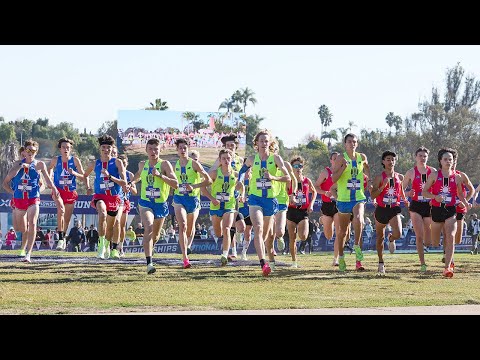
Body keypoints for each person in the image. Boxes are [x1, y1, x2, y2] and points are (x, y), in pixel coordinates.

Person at [237, 129, 291, 276]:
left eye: (266, 141)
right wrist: (240, 182)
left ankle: (270, 256)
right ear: (256, 143)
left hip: (270, 200)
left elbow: (288, 178)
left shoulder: (276, 159)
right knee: (258, 229)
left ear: (270, 143)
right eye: (261, 141)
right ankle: (263, 264)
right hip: (254, 198)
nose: (264, 143)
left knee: (267, 236)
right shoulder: (251, 159)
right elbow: (242, 171)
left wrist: (273, 177)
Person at [1, 139, 58, 262]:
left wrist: (54, 189)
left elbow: (47, 181)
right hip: (19, 199)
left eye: (33, 150)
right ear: (24, 152)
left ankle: (28, 253)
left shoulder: (40, 164)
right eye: (28, 150)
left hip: (33, 198)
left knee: (32, 223)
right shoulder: (17, 164)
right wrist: (14, 192)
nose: (30, 152)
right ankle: (24, 238)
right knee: (20, 228)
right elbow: (5, 183)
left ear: (36, 152)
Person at [130, 138, 178, 274]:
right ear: (146, 150)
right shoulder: (142, 164)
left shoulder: (165, 165)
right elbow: (138, 175)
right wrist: (132, 182)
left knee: (155, 236)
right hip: (145, 202)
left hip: (160, 204)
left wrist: (160, 176)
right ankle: (149, 263)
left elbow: (175, 184)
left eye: (156, 149)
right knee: (149, 228)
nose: (153, 152)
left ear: (160, 150)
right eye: (150, 149)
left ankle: (151, 247)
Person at [422, 148, 467, 278]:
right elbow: (424, 192)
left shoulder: (457, 177)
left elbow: (459, 194)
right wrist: (435, 197)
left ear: (453, 162)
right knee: (434, 242)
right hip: (436, 210)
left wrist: (464, 202)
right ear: (440, 161)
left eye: (450, 160)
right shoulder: (434, 175)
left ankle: (447, 267)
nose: (448, 161)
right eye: (445, 159)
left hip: (451, 210)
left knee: (450, 236)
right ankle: (442, 250)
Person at [83, 135, 127, 260]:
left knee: (111, 226)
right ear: (100, 148)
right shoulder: (95, 163)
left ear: (112, 148)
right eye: (103, 147)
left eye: (108, 147)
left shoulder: (117, 162)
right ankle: (101, 246)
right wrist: (88, 187)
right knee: (102, 213)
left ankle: (108, 245)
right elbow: (85, 175)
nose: (106, 150)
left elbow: (124, 182)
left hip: (114, 197)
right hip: (100, 196)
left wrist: (110, 177)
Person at [331, 133, 370, 272]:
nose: (352, 144)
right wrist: (342, 168)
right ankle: (341, 258)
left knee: (359, 220)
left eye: (354, 141)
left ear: (357, 144)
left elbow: (367, 168)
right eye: (349, 141)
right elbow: (333, 179)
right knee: (342, 232)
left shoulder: (361, 157)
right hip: (343, 199)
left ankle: (357, 252)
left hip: (358, 196)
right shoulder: (341, 158)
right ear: (345, 144)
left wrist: (368, 181)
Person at [172, 138, 212, 268]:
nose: (183, 150)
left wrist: (194, 186)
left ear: (188, 149)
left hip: (193, 199)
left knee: (189, 228)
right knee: (182, 226)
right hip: (179, 198)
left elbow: (209, 180)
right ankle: (185, 258)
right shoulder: (175, 165)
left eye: (185, 148)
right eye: (180, 148)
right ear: (177, 150)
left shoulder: (194, 164)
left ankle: (188, 246)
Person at [370, 150, 409, 276]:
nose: (390, 161)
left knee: (398, 233)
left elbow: (401, 190)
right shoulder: (379, 177)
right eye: (388, 159)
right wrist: (382, 187)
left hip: (394, 208)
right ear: (383, 162)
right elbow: (373, 194)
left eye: (393, 159)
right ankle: (381, 263)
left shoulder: (399, 177)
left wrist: (405, 199)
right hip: (381, 209)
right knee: (379, 237)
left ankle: (391, 239)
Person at [203, 149, 244, 266]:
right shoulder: (214, 173)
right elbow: (203, 188)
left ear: (231, 160)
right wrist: (212, 199)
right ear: (220, 160)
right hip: (216, 206)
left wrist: (242, 195)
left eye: (228, 158)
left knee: (227, 229)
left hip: (229, 206)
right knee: (218, 232)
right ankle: (225, 250)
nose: (226, 160)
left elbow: (241, 186)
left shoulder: (235, 175)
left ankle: (224, 255)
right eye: (224, 158)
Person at [48, 138, 87, 251]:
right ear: (60, 149)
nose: (66, 149)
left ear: (71, 149)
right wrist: (50, 178)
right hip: (58, 190)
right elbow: (49, 168)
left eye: (68, 147)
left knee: (67, 218)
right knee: (61, 210)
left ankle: (63, 237)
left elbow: (83, 176)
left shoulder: (75, 160)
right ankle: (60, 239)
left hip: (70, 191)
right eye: (64, 147)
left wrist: (74, 173)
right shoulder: (56, 159)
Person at [402, 146, 434, 272]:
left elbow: (438, 186)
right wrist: (407, 194)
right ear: (416, 157)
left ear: (427, 158)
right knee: (419, 235)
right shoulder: (411, 172)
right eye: (420, 156)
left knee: (428, 238)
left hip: (429, 205)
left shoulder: (433, 171)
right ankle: (423, 263)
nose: (422, 158)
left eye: (425, 156)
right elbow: (401, 189)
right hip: (415, 205)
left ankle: (427, 245)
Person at [285, 156, 316, 267]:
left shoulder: (307, 180)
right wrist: (289, 198)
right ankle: (294, 262)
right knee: (291, 238)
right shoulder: (289, 181)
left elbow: (314, 192)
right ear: (292, 168)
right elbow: (284, 192)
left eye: (300, 166)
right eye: (296, 166)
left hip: (303, 212)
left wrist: (311, 204)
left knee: (303, 236)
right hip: (291, 210)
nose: (298, 168)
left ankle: (300, 235)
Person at [315, 151, 341, 266]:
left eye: (338, 158)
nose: (336, 160)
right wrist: (324, 192)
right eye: (334, 158)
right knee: (328, 235)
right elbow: (316, 186)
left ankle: (336, 259)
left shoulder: (342, 172)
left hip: (338, 204)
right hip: (327, 205)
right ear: (331, 160)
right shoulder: (326, 172)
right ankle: (323, 220)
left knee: (339, 231)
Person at [452, 158, 474, 259]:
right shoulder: (439, 175)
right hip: (447, 207)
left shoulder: (461, 175)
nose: (452, 164)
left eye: (454, 162)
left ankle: (449, 251)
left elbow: (472, 190)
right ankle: (448, 255)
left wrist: (465, 202)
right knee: (449, 232)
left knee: (458, 238)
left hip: (460, 207)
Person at [117, 154, 137, 257]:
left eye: (124, 163)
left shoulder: (130, 175)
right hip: (115, 201)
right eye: (121, 163)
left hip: (125, 201)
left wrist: (130, 187)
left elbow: (135, 192)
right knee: (113, 224)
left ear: (127, 164)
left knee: (122, 225)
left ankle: (121, 247)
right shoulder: (114, 172)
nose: (122, 165)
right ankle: (112, 246)